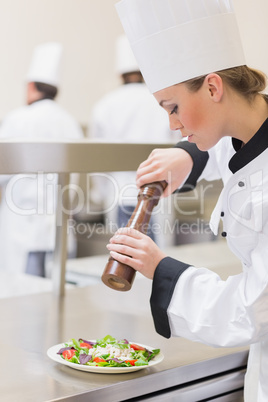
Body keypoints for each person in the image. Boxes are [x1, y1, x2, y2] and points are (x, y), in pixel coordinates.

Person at [106, 0, 268, 400]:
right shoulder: (249, 127)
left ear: (214, 87)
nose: (172, 124)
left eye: (174, 108)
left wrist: (160, 268)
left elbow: (253, 310)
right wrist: (187, 155)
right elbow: (230, 149)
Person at [0, 42, 84, 276]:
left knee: (23, 293)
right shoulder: (69, 122)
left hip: (22, 224)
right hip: (57, 224)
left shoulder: (18, 119)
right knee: (54, 292)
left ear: (30, 86)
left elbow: (3, 170)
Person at [90, 34, 177, 247]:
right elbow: (178, 146)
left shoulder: (104, 106)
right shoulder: (162, 102)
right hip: (159, 194)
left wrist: (101, 193)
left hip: (119, 194)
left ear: (120, 74)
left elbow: (95, 158)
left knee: (124, 261)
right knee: (155, 261)